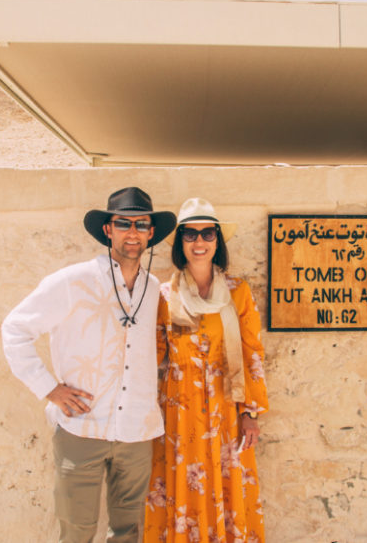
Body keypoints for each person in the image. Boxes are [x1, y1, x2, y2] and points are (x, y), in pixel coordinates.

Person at [1, 186, 176, 543]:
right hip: (82, 428)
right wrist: (48, 388)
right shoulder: (72, 281)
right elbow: (15, 329)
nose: (132, 232)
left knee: (129, 531)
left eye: (140, 224)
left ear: (151, 233)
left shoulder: (153, 287)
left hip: (136, 432)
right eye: (123, 223)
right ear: (107, 230)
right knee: (76, 530)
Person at [144, 198, 269, 543]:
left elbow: (251, 352)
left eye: (207, 233)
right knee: (181, 486)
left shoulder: (237, 292)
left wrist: (251, 413)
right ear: (181, 243)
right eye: (190, 234)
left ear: (217, 241)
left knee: (227, 486)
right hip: (178, 412)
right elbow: (154, 355)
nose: (199, 242)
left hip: (226, 409)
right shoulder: (164, 295)